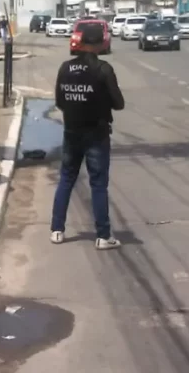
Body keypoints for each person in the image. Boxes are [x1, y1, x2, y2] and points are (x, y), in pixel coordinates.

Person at [50, 24, 125, 250]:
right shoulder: (104, 69)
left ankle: (56, 230)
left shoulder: (65, 68)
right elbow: (119, 103)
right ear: (101, 44)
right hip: (97, 133)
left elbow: (60, 101)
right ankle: (103, 236)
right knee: (98, 184)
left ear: (81, 42)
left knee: (66, 178)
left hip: (72, 131)